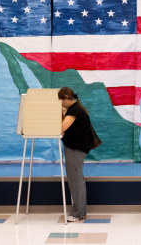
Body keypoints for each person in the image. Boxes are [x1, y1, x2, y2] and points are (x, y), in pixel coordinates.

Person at [58, 87, 94, 222]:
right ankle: (81, 212)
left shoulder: (75, 110)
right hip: (77, 148)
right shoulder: (77, 108)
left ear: (67, 97)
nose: (61, 103)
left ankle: (77, 213)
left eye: (61, 100)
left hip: (75, 149)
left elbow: (61, 128)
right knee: (77, 180)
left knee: (75, 181)